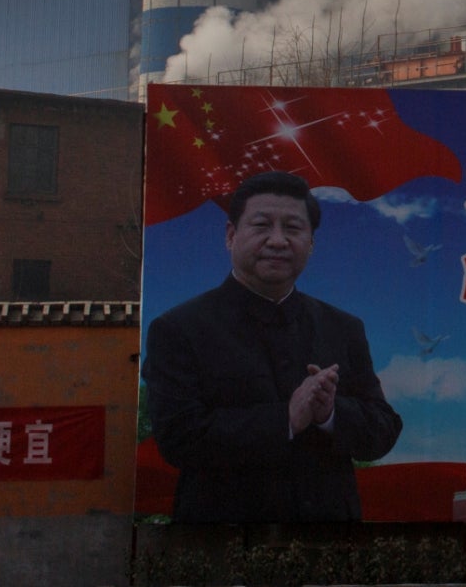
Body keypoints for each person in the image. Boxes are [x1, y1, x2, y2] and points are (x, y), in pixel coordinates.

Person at [143, 169, 401, 522]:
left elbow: (382, 431)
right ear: (231, 235)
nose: (278, 241)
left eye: (293, 229)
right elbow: (178, 439)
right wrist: (287, 419)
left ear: (311, 243)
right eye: (262, 225)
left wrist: (330, 414)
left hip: (329, 543)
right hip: (223, 543)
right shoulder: (179, 329)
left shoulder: (343, 328)